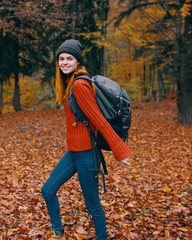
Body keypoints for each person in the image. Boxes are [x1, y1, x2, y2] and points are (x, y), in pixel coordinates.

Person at [41, 39, 131, 240]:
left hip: (87, 154)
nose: (64, 62)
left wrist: (120, 150)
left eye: (69, 59)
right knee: (47, 190)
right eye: (61, 59)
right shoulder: (69, 83)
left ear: (77, 61)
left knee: (92, 205)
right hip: (74, 152)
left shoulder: (80, 84)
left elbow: (99, 121)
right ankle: (58, 231)